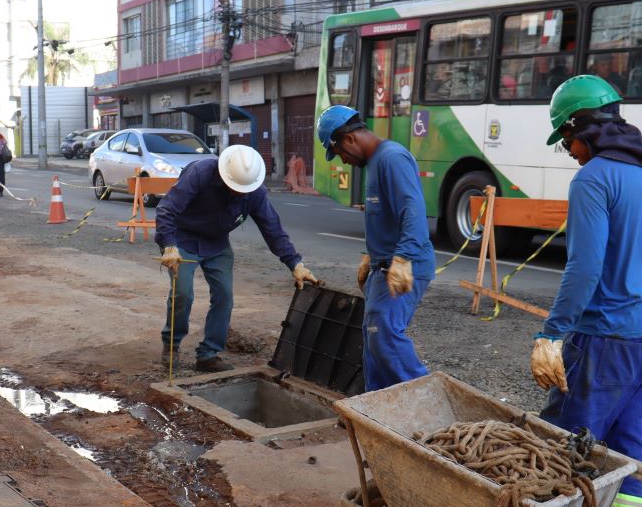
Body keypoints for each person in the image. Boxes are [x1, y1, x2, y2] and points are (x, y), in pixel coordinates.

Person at [530, 74, 642, 507]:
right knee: (629, 449)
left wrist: (552, 333)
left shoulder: (594, 178)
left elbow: (584, 269)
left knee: (561, 444)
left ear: (583, 129)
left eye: (566, 140)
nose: (568, 153)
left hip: (604, 341)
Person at [155, 144, 321, 373]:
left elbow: (272, 228)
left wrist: (295, 263)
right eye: (235, 188)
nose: (239, 193)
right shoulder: (201, 173)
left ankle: (208, 355)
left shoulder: (255, 192)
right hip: (183, 240)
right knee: (183, 294)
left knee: (224, 296)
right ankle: (171, 346)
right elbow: (166, 209)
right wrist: (169, 245)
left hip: (217, 243)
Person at [316, 105, 436, 392]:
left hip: (403, 266)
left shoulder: (391, 158)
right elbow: (388, 216)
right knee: (373, 341)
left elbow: (412, 210)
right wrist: (372, 257)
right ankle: (378, 411)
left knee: (385, 338)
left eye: (341, 154)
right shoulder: (377, 162)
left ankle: (429, 398)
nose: (343, 161)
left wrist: (403, 257)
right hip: (383, 268)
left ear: (349, 140)